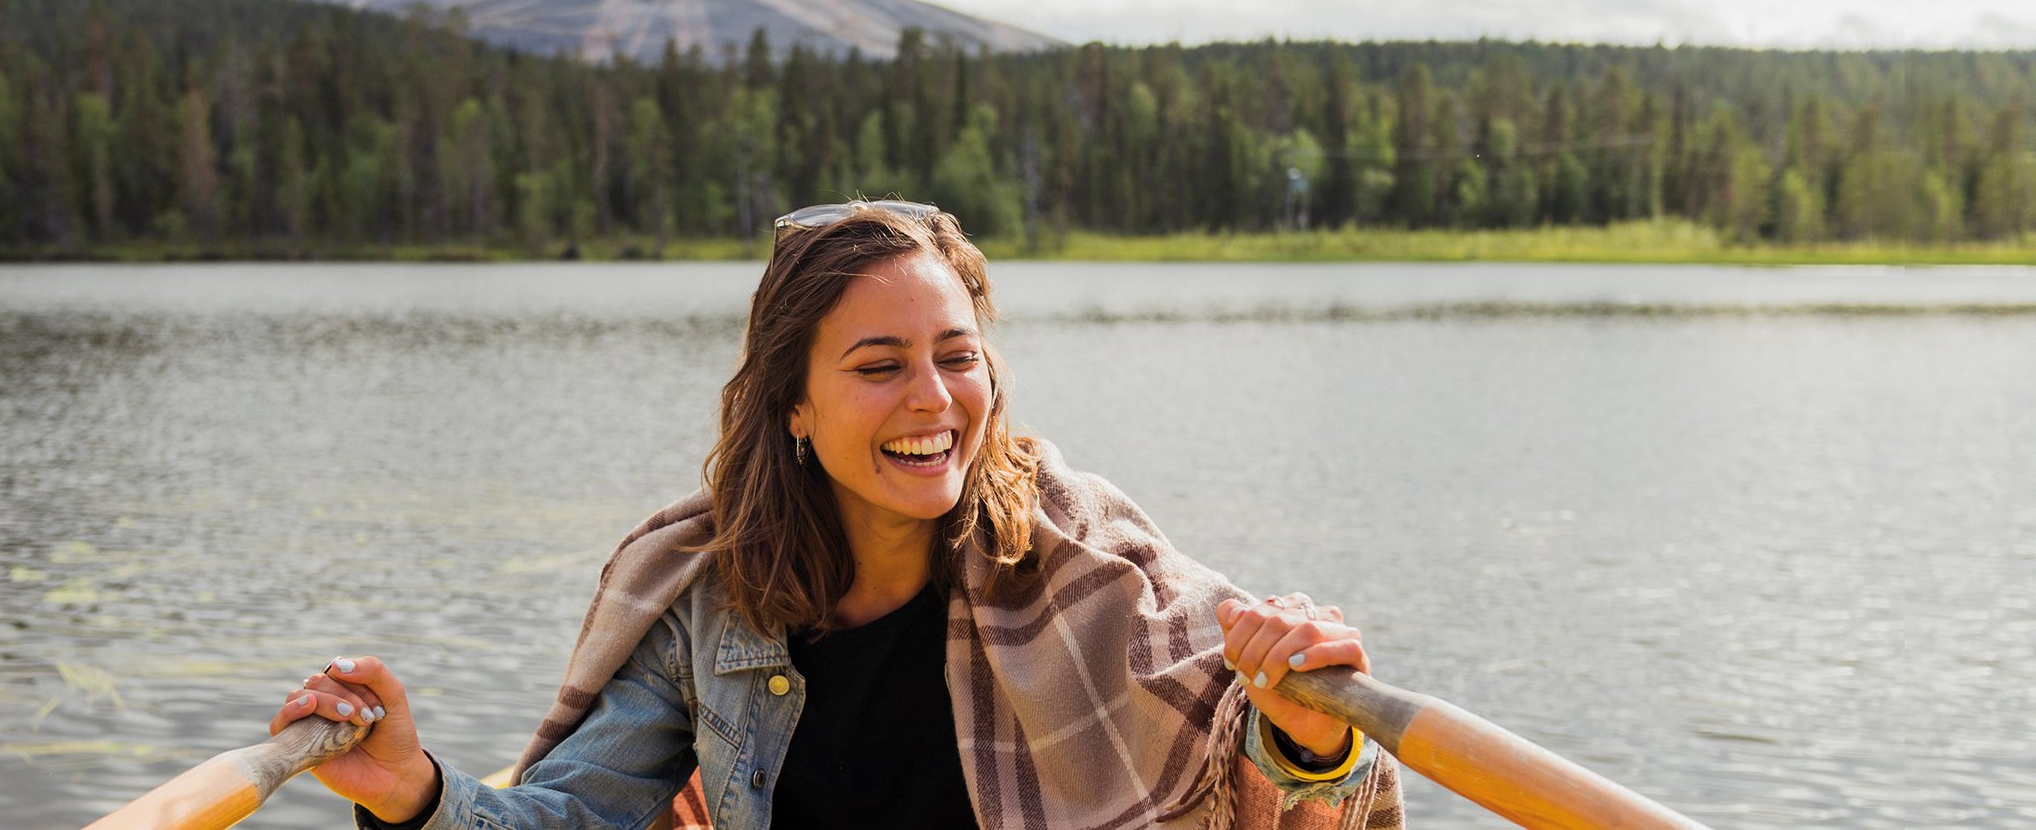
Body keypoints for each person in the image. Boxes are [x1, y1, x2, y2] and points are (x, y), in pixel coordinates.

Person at [267, 201, 1404, 829]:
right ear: (794, 407)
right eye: (878, 365)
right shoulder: (711, 599)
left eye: (957, 356)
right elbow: (576, 820)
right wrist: (414, 793)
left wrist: (1307, 731)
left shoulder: (1083, 560)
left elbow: (1251, 760)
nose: (932, 400)